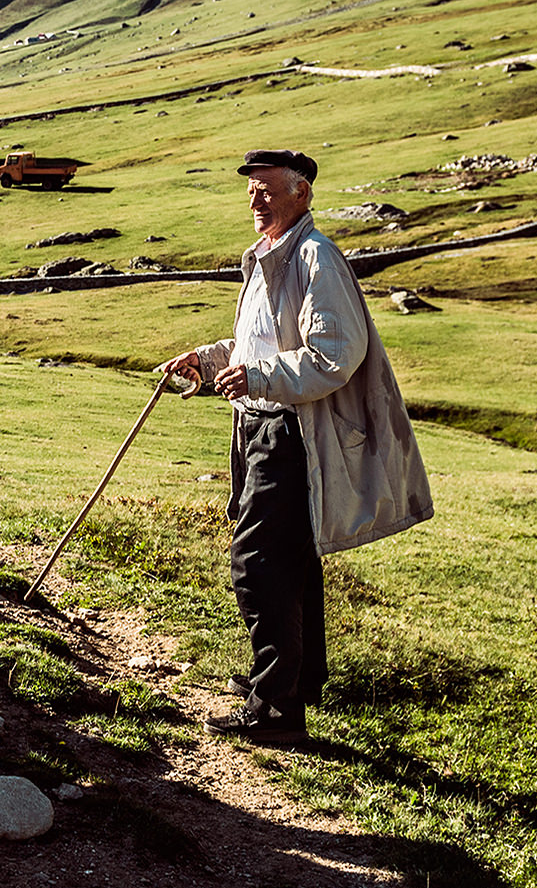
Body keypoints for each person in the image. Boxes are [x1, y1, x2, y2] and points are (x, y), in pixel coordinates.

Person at [159, 149, 433, 741]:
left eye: (267, 191)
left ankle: (276, 709)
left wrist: (260, 379)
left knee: (258, 563)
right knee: (292, 562)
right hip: (262, 425)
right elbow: (259, 342)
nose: (255, 202)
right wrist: (208, 361)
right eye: (251, 191)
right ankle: (294, 684)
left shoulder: (316, 258)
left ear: (301, 194)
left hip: (291, 433)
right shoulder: (269, 259)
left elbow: (335, 352)